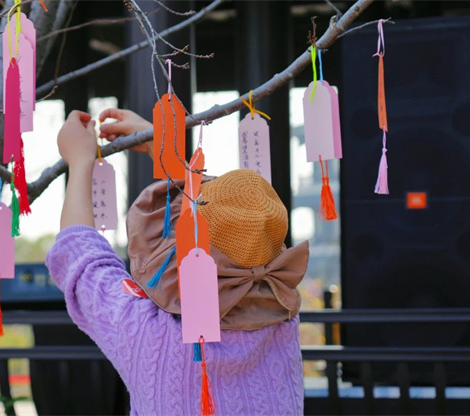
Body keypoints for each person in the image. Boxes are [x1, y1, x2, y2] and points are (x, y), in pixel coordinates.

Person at [46, 108, 310, 415]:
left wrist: (80, 162)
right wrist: (162, 150)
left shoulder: (147, 331)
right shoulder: (282, 321)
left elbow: (82, 257)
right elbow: (236, 231)